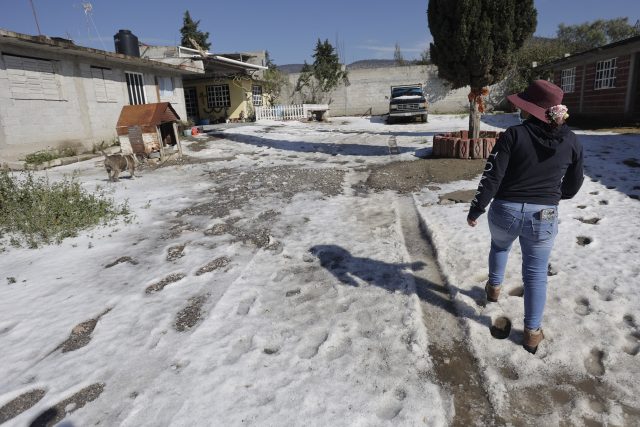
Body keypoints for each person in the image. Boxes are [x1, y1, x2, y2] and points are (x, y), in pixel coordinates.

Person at [466, 80, 584, 353]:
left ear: (529, 109)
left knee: (499, 245)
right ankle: (532, 333)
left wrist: (477, 208)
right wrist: (554, 196)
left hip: (505, 210)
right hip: (544, 214)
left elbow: (493, 176)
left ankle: (493, 289)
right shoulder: (573, 141)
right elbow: (573, 185)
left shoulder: (513, 135)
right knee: (536, 275)